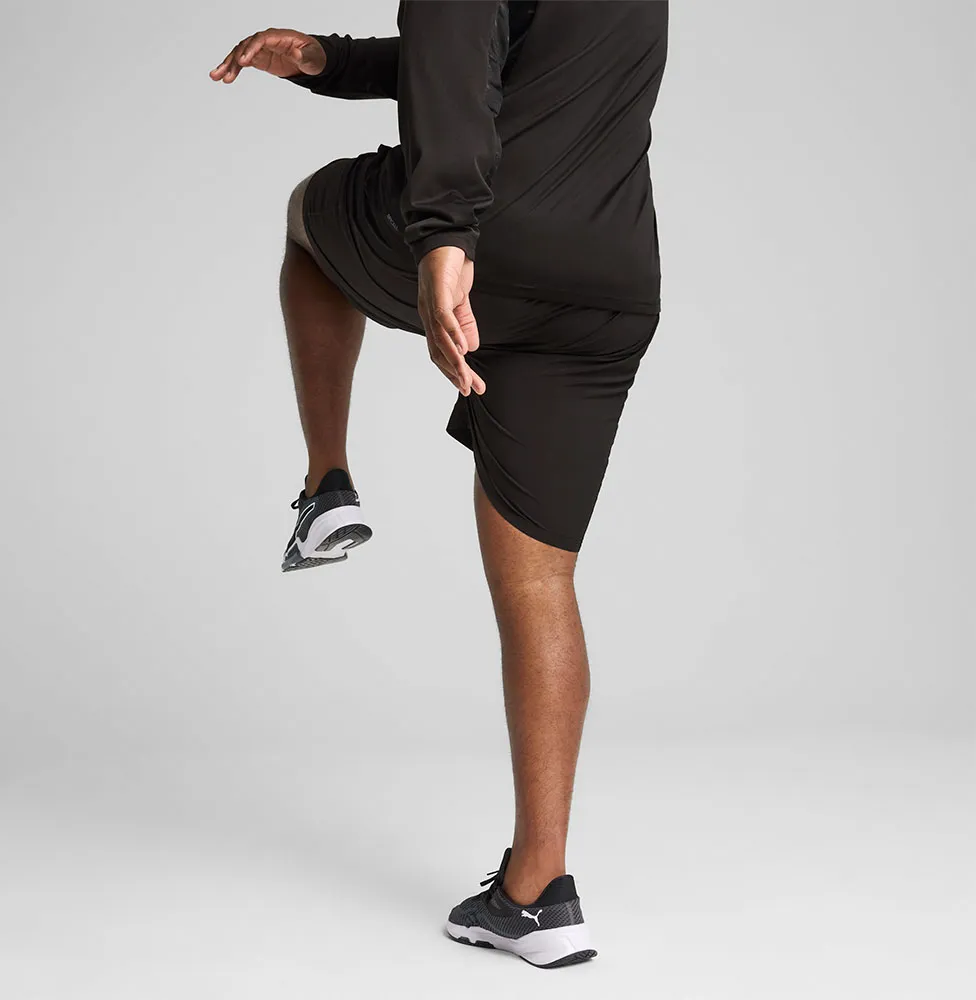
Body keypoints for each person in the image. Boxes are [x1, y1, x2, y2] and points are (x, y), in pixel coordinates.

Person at [210, 0, 668, 969]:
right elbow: (491, 56)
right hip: (610, 277)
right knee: (541, 581)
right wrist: (329, 60)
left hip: (492, 241)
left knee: (307, 215)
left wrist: (441, 240)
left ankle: (326, 483)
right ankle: (537, 895)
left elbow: (460, 66)